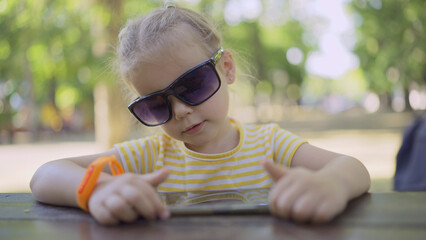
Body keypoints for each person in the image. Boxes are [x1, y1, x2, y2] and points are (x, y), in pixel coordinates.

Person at [30, 4, 370, 225]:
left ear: (227, 68)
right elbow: (45, 175)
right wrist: (98, 189)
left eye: (193, 85)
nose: (180, 111)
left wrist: (331, 184)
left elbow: (353, 168)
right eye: (155, 104)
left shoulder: (271, 145)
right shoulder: (149, 156)